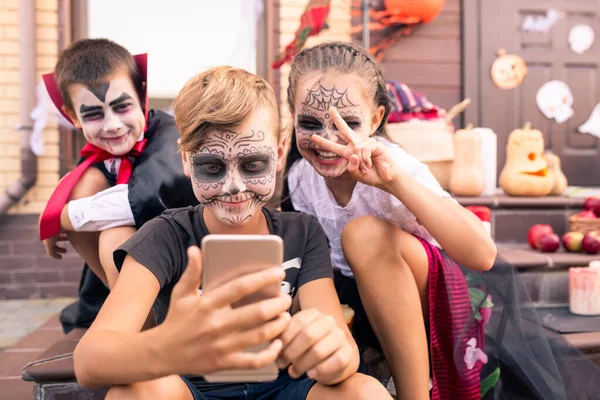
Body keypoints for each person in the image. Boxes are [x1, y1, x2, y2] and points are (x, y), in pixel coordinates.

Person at [283, 41, 600, 400]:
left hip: (439, 296)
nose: (328, 141)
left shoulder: (395, 166)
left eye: (348, 124)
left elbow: (483, 254)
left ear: (376, 120)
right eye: (310, 123)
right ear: (291, 114)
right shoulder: (298, 177)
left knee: (363, 234)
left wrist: (394, 183)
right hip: (363, 298)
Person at [73, 66, 391, 400]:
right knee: (135, 394)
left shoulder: (302, 232)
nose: (234, 187)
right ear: (185, 159)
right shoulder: (164, 237)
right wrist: (167, 349)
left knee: (363, 392)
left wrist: (329, 353)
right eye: (212, 167)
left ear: (279, 153)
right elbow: (90, 361)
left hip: (285, 387)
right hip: (191, 390)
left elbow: (342, 356)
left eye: (253, 164)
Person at [38, 39, 197, 319]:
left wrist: (58, 217)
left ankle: (137, 322)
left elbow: (147, 197)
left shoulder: (168, 135)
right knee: (83, 183)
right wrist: (65, 209)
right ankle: (121, 306)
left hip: (188, 257)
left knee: (115, 240)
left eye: (122, 107)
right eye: (93, 114)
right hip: (125, 271)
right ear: (73, 117)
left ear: (141, 94)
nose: (112, 125)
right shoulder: (97, 159)